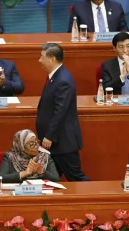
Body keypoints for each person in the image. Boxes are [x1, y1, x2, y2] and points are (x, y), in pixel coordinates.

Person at [36, 43, 90, 181]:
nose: (39, 60)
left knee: (76, 178)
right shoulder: (55, 76)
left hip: (62, 142)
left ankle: (94, 201)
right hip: (54, 143)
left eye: (42, 57)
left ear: (52, 58)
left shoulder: (63, 80)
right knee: (49, 180)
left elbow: (60, 111)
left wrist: (49, 136)